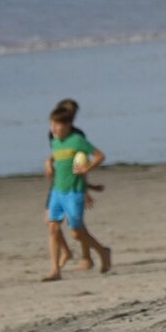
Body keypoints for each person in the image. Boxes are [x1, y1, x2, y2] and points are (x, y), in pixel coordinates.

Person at [44, 102, 113, 280]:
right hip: (57, 191)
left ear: (67, 125)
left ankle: (102, 251)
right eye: (51, 124)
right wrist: (49, 165)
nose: (53, 128)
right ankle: (55, 270)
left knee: (76, 232)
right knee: (52, 227)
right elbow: (58, 160)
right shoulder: (55, 141)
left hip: (74, 192)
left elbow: (100, 156)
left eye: (57, 125)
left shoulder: (77, 140)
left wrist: (86, 170)